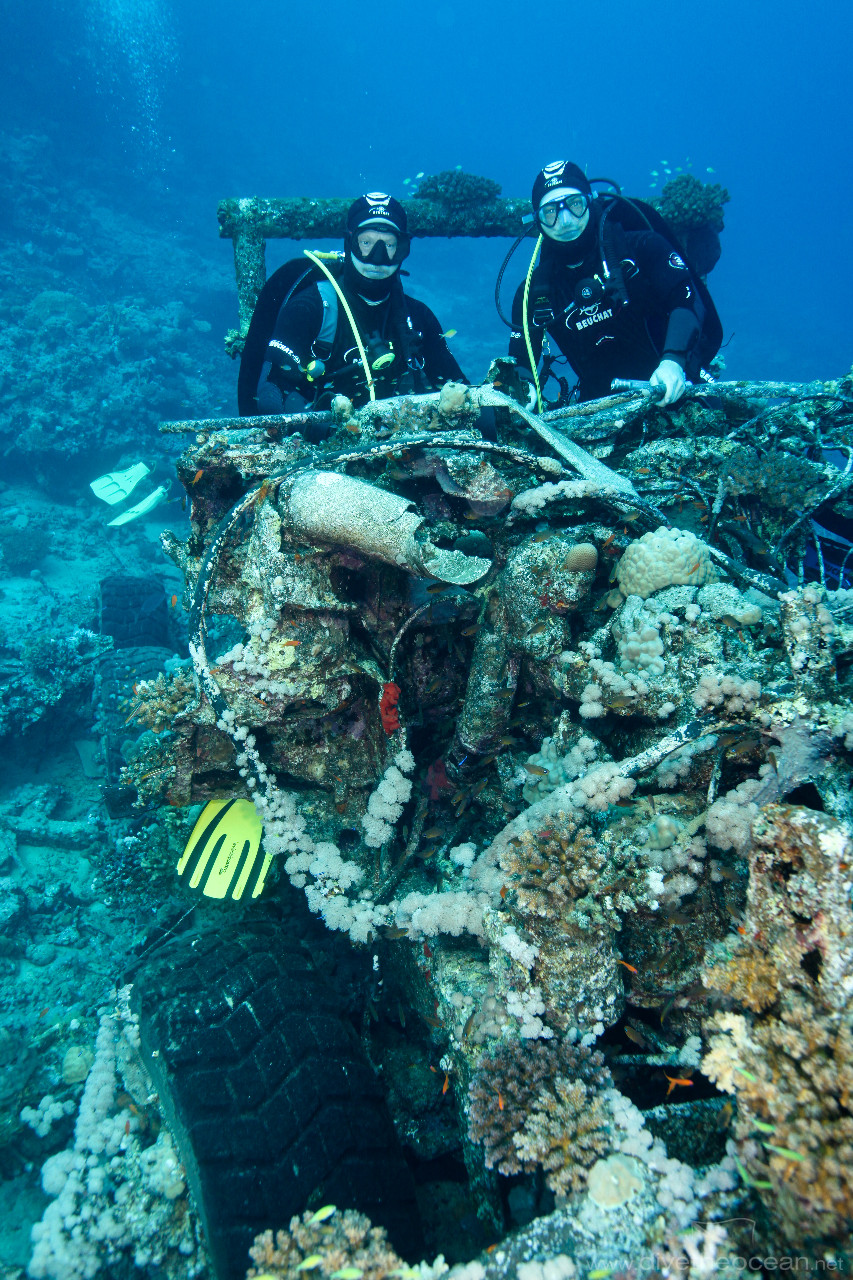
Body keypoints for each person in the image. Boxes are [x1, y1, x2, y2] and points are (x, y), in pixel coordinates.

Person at [508, 161, 720, 407]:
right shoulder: (533, 293)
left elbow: (687, 301)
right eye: (550, 212)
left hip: (677, 387)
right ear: (538, 219)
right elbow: (521, 364)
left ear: (590, 201)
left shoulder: (644, 248)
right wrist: (523, 392)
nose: (565, 221)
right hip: (601, 409)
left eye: (575, 204)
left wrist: (673, 362)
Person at [242, 193, 465, 425]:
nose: (377, 258)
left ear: (402, 249)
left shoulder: (419, 318)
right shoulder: (309, 309)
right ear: (349, 243)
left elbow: (458, 389)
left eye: (389, 245)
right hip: (320, 443)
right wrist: (319, 427)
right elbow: (272, 389)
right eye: (366, 243)